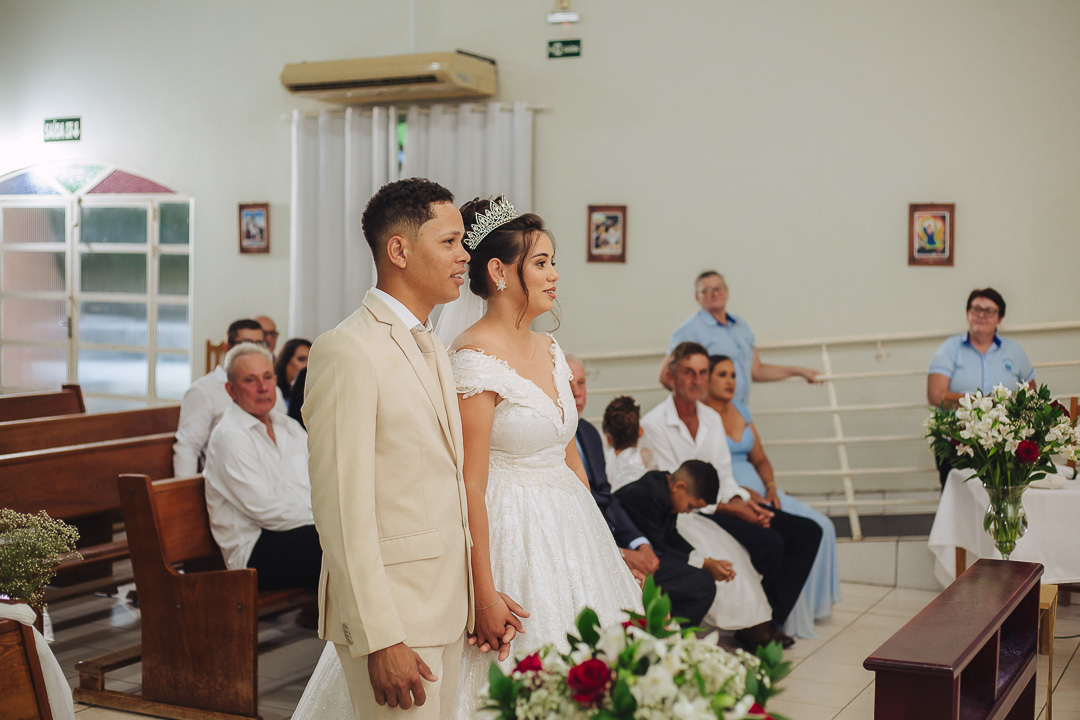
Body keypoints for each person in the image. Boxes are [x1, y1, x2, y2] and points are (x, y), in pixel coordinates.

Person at [442, 196, 641, 718]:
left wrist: (604, 545)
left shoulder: (551, 349)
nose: (555, 275)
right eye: (541, 263)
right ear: (499, 272)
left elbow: (568, 451)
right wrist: (483, 594)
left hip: (570, 525)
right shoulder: (472, 359)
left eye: (553, 262)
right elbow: (469, 482)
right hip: (510, 529)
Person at [296, 178, 475, 720]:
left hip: (444, 604)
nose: (464, 255)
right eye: (448, 242)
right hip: (395, 616)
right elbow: (342, 511)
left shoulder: (434, 346)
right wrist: (379, 637)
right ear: (398, 250)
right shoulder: (346, 350)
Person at [641, 341, 822, 647]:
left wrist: (743, 502)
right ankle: (755, 627)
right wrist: (730, 509)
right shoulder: (654, 424)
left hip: (724, 503)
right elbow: (678, 493)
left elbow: (724, 474)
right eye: (688, 372)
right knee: (771, 543)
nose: (696, 380)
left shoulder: (711, 418)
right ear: (672, 376)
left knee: (807, 532)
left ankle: (767, 620)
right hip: (692, 515)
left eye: (702, 372)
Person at [600, 393, 774, 642]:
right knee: (700, 586)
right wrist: (703, 565)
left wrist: (704, 560)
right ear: (679, 487)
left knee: (701, 580)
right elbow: (660, 546)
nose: (688, 511)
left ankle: (667, 637)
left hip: (651, 553)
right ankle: (666, 640)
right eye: (691, 505)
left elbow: (670, 537)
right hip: (625, 555)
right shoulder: (651, 494)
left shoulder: (663, 490)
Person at [566, 356, 716, 627]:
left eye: (582, 382)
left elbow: (607, 498)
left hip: (616, 536)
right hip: (584, 547)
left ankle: (663, 645)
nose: (577, 391)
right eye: (567, 382)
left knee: (699, 583)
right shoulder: (545, 439)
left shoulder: (589, 433)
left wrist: (640, 543)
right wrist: (621, 554)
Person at [703, 354, 840, 638]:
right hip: (733, 496)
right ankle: (766, 622)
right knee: (785, 538)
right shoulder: (702, 417)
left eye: (733, 375)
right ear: (706, 379)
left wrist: (772, 486)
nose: (731, 381)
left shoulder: (741, 411)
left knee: (823, 526)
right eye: (722, 375)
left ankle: (809, 610)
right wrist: (743, 494)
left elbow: (761, 459)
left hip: (765, 493)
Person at [202, 343, 320, 592]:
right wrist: (326, 521)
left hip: (297, 530)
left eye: (267, 377)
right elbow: (268, 511)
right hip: (253, 550)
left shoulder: (288, 427)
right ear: (231, 389)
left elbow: (317, 482)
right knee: (337, 544)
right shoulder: (229, 437)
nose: (263, 387)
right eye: (250, 380)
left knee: (359, 536)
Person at [927, 288, 1036, 487]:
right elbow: (935, 395)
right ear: (967, 313)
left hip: (1005, 442)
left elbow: (1032, 393)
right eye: (976, 309)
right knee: (958, 501)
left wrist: (1011, 405)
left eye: (989, 311)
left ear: (1000, 318)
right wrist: (980, 402)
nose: (981, 315)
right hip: (959, 441)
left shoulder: (1014, 350)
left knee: (1004, 495)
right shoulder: (950, 349)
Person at [658, 271, 819, 404]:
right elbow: (666, 376)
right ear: (697, 297)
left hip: (739, 412)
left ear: (727, 291)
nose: (714, 294)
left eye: (719, 288)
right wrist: (698, 401)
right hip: (709, 415)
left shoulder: (741, 326)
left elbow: (757, 371)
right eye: (707, 290)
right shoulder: (689, 331)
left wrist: (799, 371)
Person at [173, 319, 285, 478]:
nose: (251, 351)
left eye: (259, 345)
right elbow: (188, 447)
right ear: (227, 348)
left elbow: (283, 433)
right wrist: (183, 498)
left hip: (272, 473)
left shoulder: (272, 390)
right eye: (245, 343)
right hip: (228, 475)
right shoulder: (204, 391)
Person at [274, 338, 311, 406]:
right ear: (285, 362)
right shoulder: (274, 394)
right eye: (302, 359)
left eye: (312, 360)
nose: (308, 365)